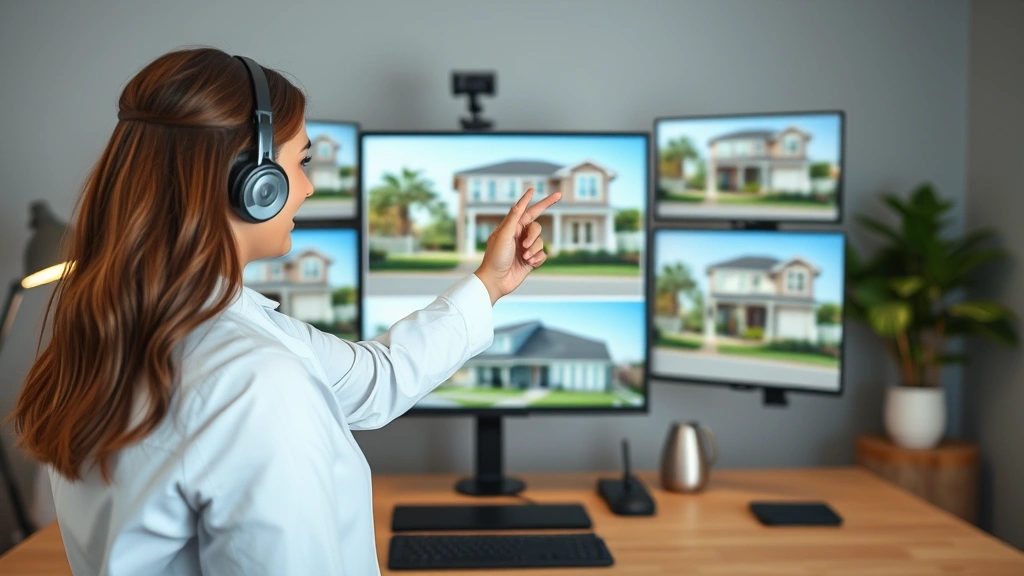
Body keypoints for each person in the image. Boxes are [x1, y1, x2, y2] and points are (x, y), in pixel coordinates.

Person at [11, 47, 560, 575]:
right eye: (300, 162)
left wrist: (488, 284)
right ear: (254, 183)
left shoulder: (113, 334)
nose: (309, 187)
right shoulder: (254, 379)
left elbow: (375, 377)